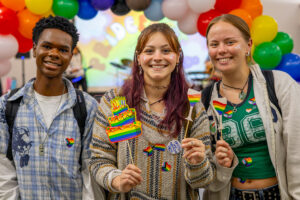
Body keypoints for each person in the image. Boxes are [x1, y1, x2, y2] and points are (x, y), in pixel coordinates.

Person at [89, 23, 216, 200]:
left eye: (166, 51)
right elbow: (99, 160)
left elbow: (203, 181)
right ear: (138, 57)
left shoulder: (192, 108)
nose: (157, 57)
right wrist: (117, 180)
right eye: (149, 51)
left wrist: (198, 163)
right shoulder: (116, 101)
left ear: (178, 56)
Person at [0, 16, 102, 199]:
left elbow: (90, 170)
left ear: (71, 56)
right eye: (47, 46)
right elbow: (3, 168)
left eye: (63, 50)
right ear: (34, 49)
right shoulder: (7, 105)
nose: (54, 53)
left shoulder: (87, 107)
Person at [202, 14, 300, 199]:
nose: (221, 50)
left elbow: (297, 150)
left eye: (230, 42)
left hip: (276, 195)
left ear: (249, 45)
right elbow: (205, 174)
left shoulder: (279, 84)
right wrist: (219, 163)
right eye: (214, 45)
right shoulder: (206, 98)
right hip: (229, 195)